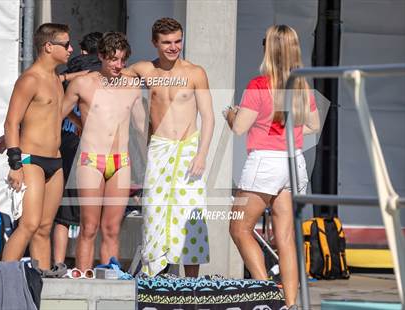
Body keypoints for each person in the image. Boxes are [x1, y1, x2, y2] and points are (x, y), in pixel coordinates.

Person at [225, 25, 320, 309]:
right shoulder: (302, 84)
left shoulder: (258, 85)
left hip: (265, 162)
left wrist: (231, 114)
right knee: (287, 238)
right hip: (294, 162)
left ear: (269, 48)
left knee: (239, 228)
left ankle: (264, 291)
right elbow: (315, 125)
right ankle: (291, 304)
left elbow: (240, 128)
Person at [122, 17, 215, 277]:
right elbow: (113, 76)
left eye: (177, 41)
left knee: (190, 216)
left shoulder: (195, 72)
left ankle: (192, 284)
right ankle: (156, 279)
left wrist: (202, 155)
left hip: (188, 149)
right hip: (159, 148)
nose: (173, 47)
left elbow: (208, 116)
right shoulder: (144, 70)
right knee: (154, 213)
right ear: (155, 43)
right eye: (166, 43)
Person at [61, 32, 146, 271]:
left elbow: (141, 129)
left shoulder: (132, 86)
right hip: (90, 160)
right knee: (89, 227)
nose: (118, 65)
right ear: (100, 56)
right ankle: (83, 279)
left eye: (122, 60)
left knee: (112, 228)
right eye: (113, 59)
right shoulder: (83, 83)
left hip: (121, 161)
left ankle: (112, 279)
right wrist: (78, 124)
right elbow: (58, 111)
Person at [2, 23, 73, 270]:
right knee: (29, 225)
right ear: (48, 46)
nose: (71, 49)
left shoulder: (55, 78)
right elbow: (11, 121)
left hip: (55, 161)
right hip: (31, 161)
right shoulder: (29, 79)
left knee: (44, 228)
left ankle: (40, 286)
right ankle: (2, 283)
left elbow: (46, 114)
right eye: (66, 44)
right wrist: (15, 164)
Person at [53, 32, 103, 265]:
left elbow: (58, 104)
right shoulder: (105, 72)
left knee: (63, 213)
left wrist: (76, 119)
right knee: (90, 214)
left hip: (66, 141)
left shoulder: (69, 72)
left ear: (83, 50)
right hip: (96, 144)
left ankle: (59, 263)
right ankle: (92, 266)